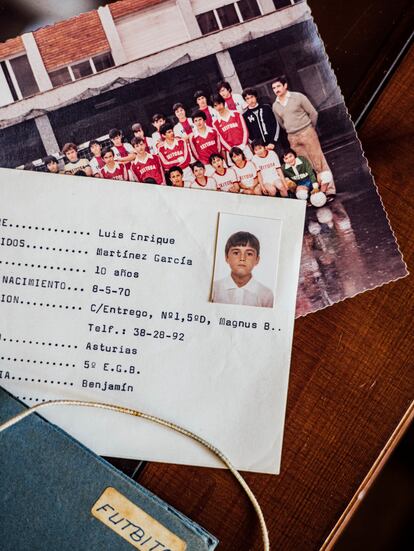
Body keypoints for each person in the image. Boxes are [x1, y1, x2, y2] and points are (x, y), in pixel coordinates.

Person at [271, 76, 335, 197]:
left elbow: (313, 113)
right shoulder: (275, 105)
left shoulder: (298, 97)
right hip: (293, 138)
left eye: (278, 86)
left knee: (319, 162)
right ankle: (315, 193)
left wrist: (310, 129)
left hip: (307, 132)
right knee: (305, 166)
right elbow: (282, 124)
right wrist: (292, 132)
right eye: (274, 88)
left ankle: (329, 191)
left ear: (285, 86)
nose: (276, 89)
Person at [212, 231, 274, 308]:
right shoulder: (214, 289)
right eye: (236, 253)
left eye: (249, 254)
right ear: (226, 257)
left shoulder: (266, 295)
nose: (242, 258)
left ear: (257, 260)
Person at [242, 87, 288, 154]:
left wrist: (273, 142)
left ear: (256, 97)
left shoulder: (266, 108)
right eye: (247, 99)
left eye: (252, 97)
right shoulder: (245, 116)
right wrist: (258, 146)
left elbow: (275, 125)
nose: (250, 100)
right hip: (260, 149)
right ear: (245, 100)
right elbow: (248, 133)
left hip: (274, 144)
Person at [212, 95, 251, 160]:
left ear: (223, 102)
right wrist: (231, 150)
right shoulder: (215, 123)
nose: (218, 107)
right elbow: (221, 139)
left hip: (244, 148)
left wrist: (243, 145)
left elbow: (245, 130)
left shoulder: (237, 114)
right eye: (215, 106)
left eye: (219, 104)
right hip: (231, 152)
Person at [189, 110, 221, 176]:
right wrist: (203, 162)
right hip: (206, 165)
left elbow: (219, 148)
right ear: (193, 123)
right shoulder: (193, 137)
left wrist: (216, 160)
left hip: (217, 162)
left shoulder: (213, 131)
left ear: (204, 120)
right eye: (196, 121)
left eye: (200, 119)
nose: (198, 122)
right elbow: (195, 154)